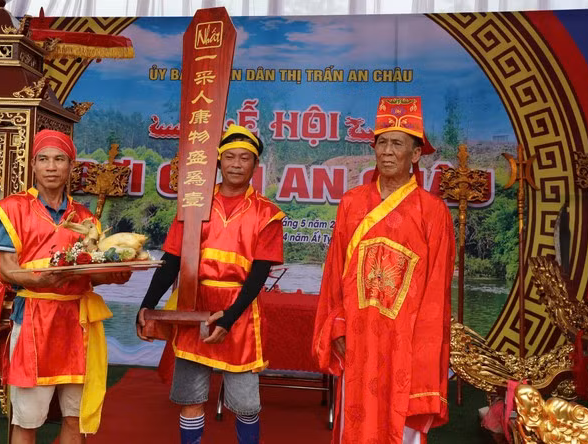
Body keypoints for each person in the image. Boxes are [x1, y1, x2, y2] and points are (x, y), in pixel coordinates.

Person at [313, 97, 455, 444]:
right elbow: (335, 273)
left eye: (397, 144)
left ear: (416, 153)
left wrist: (422, 349)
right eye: (381, 142)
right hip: (360, 338)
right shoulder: (352, 203)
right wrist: (338, 325)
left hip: (404, 341)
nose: (387, 152)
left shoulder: (432, 212)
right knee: (356, 423)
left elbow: (436, 292)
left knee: (399, 425)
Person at [136, 125, 285, 444]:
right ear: (218, 162)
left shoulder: (267, 214)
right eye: (229, 157)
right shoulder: (194, 206)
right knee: (191, 399)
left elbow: (258, 275)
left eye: (244, 158)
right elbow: (172, 260)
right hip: (193, 308)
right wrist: (147, 304)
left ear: (255, 165)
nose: (236, 163)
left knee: (246, 404)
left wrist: (229, 318)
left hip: (240, 316)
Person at [0, 129, 131, 444]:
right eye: (44, 160)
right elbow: (6, 268)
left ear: (70, 167)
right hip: (34, 321)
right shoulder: (13, 209)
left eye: (59, 160)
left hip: (78, 323)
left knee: (75, 416)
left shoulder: (85, 218)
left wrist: (116, 273)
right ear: (34, 166)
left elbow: (91, 274)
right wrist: (38, 280)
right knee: (27, 419)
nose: (51, 167)